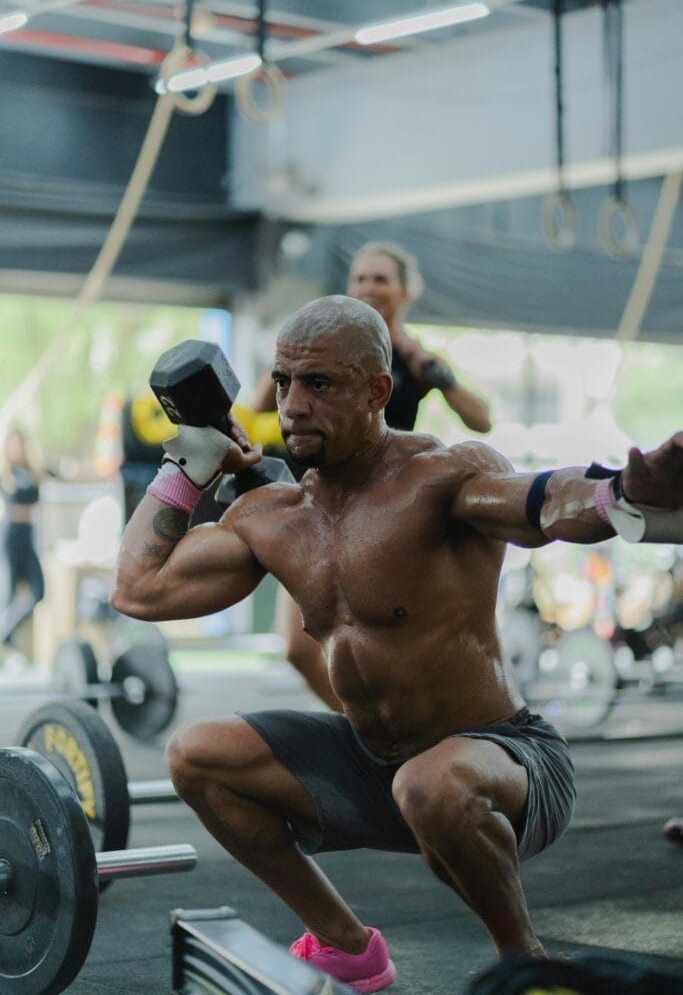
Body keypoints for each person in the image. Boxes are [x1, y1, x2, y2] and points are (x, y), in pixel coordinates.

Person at [112, 297, 683, 993]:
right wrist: (187, 465)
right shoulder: (270, 514)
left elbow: (546, 504)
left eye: (318, 384)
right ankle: (346, 948)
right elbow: (139, 592)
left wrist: (621, 491)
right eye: (283, 381)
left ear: (377, 391)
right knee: (197, 755)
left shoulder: (439, 475)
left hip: (506, 762)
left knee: (431, 783)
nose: (292, 404)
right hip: (375, 764)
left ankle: (525, 965)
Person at [251, 241, 492, 709]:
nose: (368, 288)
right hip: (314, 507)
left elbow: (481, 421)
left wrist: (421, 361)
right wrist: (294, 354)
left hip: (385, 510)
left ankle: (414, 728)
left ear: (404, 292)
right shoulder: (317, 351)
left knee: (383, 639)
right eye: (360, 278)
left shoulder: (413, 361)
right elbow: (261, 404)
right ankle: (366, 729)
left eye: (380, 279)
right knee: (298, 649)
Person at [0, 427, 45, 664]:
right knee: (7, 592)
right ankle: (7, 646)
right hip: (11, 533)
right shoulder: (5, 474)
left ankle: (4, 634)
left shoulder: (32, 471)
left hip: (28, 533)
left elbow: (61, 473)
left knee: (38, 592)